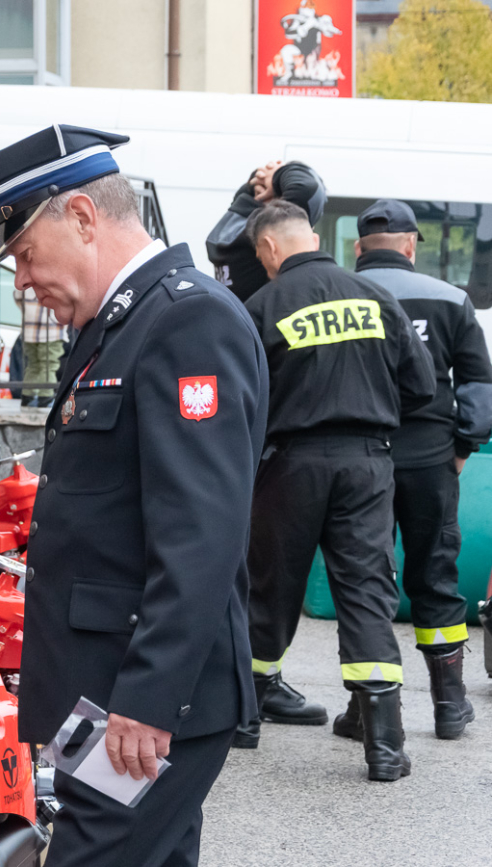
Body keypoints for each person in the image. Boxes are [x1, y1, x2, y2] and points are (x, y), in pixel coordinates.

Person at [0, 125, 267, 867]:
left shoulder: (185, 321)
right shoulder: (120, 325)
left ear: (82, 216)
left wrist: (146, 700)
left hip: (139, 702)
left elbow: (200, 535)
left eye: (26, 254)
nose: (23, 281)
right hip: (104, 693)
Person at [240, 200, 435, 781]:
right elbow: (421, 387)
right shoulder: (376, 298)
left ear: (270, 248)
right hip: (367, 462)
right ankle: (384, 746)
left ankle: (245, 719)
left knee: (270, 584)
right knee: (367, 590)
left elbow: (244, 402)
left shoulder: (261, 306)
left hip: (290, 465)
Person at [348, 199, 490, 739]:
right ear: (410, 245)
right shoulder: (451, 298)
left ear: (361, 247)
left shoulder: (338, 294)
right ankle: (449, 706)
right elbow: (479, 385)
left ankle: (366, 710)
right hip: (431, 457)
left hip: (362, 458)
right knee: (435, 573)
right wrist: (462, 448)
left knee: (365, 579)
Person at [206, 159, 325, 302]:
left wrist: (261, 178)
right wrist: (277, 175)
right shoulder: (262, 231)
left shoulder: (232, 226)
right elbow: (306, 190)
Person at [14, 287, 66, 407]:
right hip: (51, 331)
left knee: (33, 364)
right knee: (49, 365)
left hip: (29, 332)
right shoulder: (50, 280)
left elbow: (17, 297)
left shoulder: (27, 283)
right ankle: (46, 396)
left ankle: (27, 395)